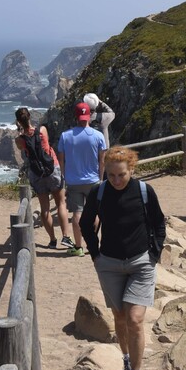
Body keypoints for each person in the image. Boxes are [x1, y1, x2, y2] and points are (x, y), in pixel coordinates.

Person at [80, 146, 165, 370]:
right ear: (105, 172)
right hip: (109, 263)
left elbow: (159, 223)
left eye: (122, 175)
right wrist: (95, 255)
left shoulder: (144, 191)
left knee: (135, 319)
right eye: (111, 175)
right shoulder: (99, 191)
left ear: (131, 170)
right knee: (119, 316)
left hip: (141, 262)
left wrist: (154, 254)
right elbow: (86, 224)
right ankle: (126, 359)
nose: (116, 180)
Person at [14, 107, 74, 250]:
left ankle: (52, 240)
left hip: (37, 174)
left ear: (18, 121)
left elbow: (21, 148)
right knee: (61, 204)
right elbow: (45, 141)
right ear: (29, 117)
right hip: (52, 169)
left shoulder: (19, 140)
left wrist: (20, 130)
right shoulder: (42, 131)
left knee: (45, 209)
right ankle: (66, 236)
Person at [57, 102, 108, 257]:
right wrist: (100, 178)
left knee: (77, 213)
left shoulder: (65, 136)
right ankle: (93, 243)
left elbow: (61, 160)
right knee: (96, 213)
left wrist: (65, 177)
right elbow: (102, 161)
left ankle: (78, 247)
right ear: (89, 116)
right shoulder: (98, 136)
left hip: (74, 181)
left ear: (76, 116)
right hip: (93, 180)